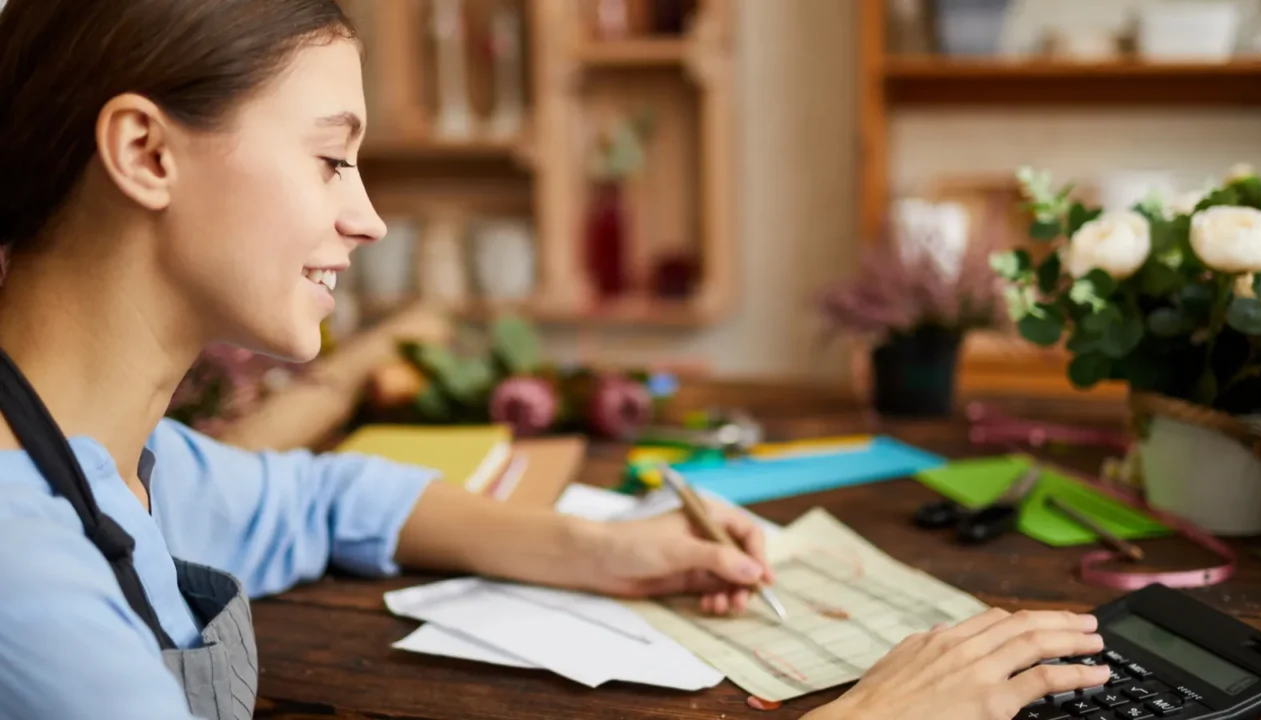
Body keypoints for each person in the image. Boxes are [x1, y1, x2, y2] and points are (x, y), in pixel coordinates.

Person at [0, 2, 1111, 719]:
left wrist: (607, 550)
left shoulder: (112, 461)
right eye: (332, 160)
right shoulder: (22, 570)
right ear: (145, 152)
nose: (369, 218)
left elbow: (320, 497)